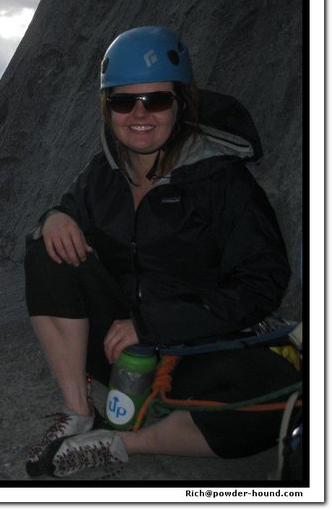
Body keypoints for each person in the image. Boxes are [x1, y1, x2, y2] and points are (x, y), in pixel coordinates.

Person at [23, 26, 300, 478]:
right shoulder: (103, 172)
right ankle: (78, 411)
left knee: (277, 396)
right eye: (122, 101)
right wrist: (55, 215)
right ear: (106, 105)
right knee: (46, 247)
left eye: (157, 100)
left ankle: (121, 443)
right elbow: (71, 210)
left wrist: (155, 323)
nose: (140, 114)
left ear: (181, 103)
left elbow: (263, 280)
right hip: (115, 345)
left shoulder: (221, 180)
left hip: (192, 346)